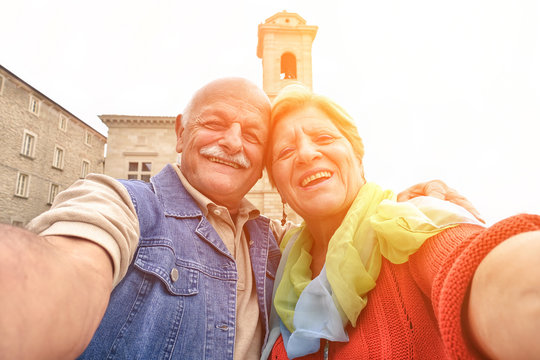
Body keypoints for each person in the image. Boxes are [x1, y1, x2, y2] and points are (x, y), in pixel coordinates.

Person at [0, 77, 480, 360]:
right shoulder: (120, 204)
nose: (232, 142)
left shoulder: (282, 246)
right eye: (213, 123)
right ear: (181, 133)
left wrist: (422, 203)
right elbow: (66, 267)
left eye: (252, 134)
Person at [260, 84, 540, 359]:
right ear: (279, 187)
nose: (307, 154)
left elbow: (473, 266)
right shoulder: (274, 262)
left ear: (358, 158)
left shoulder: (412, 222)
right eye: (285, 152)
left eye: (323, 138)